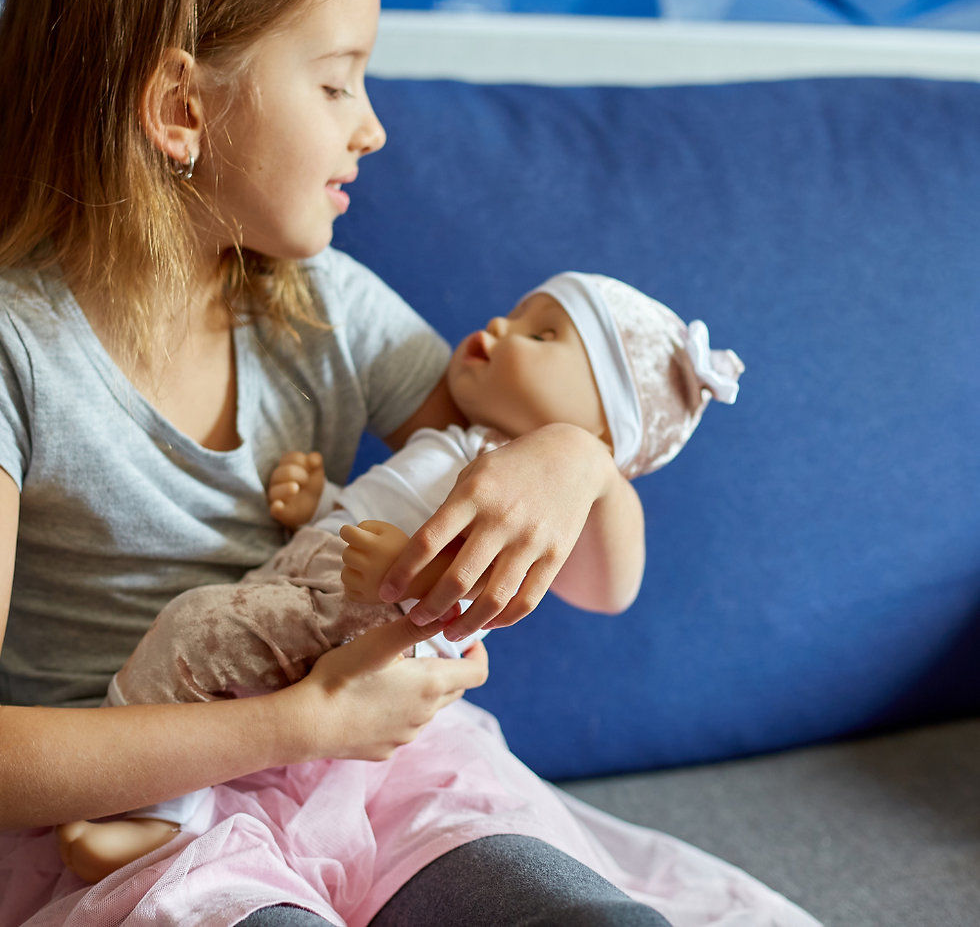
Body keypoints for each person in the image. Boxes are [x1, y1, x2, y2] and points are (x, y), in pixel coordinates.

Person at [0, 0, 822, 925]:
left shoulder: (332, 308)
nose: (373, 126)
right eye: (335, 82)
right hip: (120, 810)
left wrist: (576, 457)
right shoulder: (19, 352)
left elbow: (558, 530)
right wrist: (296, 723)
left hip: (365, 775)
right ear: (181, 107)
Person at [55, 271, 744, 880]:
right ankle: (155, 790)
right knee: (219, 655)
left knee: (194, 630)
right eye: (516, 314)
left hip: (372, 621)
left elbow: (537, 587)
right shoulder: (455, 444)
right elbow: (382, 508)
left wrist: (414, 573)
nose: (500, 325)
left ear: (606, 428)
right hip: (311, 587)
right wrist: (320, 505)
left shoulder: (532, 499)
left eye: (543, 334)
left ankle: (155, 814)